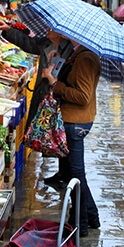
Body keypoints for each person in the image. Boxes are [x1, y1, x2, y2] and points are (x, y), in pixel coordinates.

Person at [0, 17, 72, 185]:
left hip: (61, 95)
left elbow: (70, 74)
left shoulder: (71, 50)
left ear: (60, 33)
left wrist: (52, 74)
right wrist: (8, 29)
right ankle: (62, 172)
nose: (47, 30)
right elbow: (28, 43)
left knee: (63, 134)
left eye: (51, 28)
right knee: (53, 132)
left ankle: (66, 174)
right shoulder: (45, 43)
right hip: (45, 93)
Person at [43, 30, 101, 232]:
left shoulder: (85, 58)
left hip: (75, 122)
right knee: (73, 173)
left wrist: (54, 84)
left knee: (76, 175)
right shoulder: (79, 53)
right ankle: (91, 217)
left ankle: (80, 224)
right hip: (72, 120)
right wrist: (59, 62)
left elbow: (82, 96)